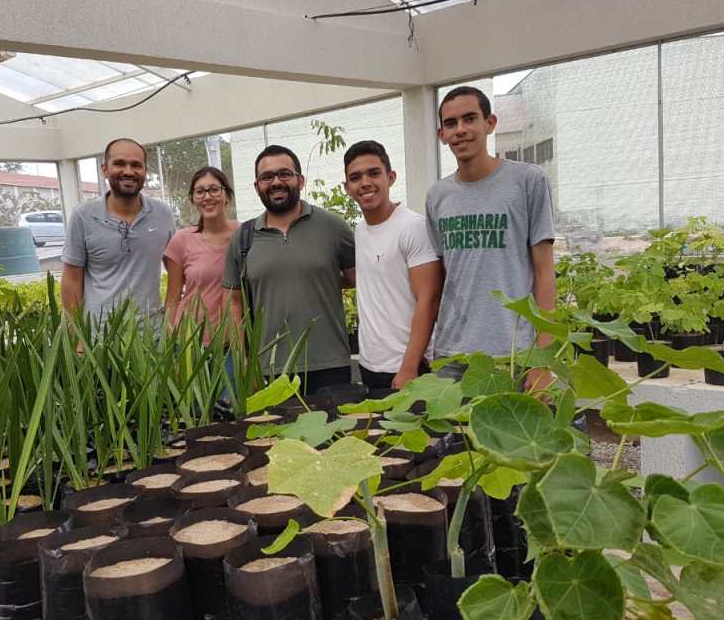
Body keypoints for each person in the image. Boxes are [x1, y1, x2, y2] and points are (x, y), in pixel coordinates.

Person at [426, 86, 556, 389]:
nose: (460, 130)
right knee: (455, 436)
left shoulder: (527, 181)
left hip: (512, 352)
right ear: (441, 134)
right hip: (451, 354)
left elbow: (545, 272)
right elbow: (445, 275)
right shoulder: (437, 196)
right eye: (451, 123)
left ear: (490, 123)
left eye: (470, 119)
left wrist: (542, 360)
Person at [223, 145, 356, 395]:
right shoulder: (243, 238)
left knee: (332, 434)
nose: (276, 182)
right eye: (267, 177)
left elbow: (360, 280)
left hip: (329, 366)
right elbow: (233, 304)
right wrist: (244, 366)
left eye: (285, 174)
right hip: (267, 370)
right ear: (256, 186)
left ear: (300, 180)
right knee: (273, 436)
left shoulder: (333, 227)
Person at [343, 140, 442, 391]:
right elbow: (372, 279)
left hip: (408, 367)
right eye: (355, 177)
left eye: (374, 173)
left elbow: (428, 299)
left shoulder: (412, 227)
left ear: (391, 177)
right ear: (347, 187)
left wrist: (408, 367)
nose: (365, 182)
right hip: (370, 364)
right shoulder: (360, 230)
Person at [61, 138, 175, 323]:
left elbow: (176, 271)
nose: (128, 171)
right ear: (104, 169)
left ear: (145, 171)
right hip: (99, 338)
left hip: (153, 335)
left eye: (136, 165)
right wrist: (77, 339)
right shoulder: (83, 216)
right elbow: (72, 282)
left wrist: (171, 321)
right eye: (120, 164)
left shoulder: (162, 213)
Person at [163, 166, 239, 335]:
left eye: (214, 190)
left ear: (227, 195)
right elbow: (173, 299)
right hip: (191, 342)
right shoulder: (181, 240)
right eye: (200, 192)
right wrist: (170, 344)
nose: (207, 197)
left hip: (235, 342)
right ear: (192, 199)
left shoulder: (244, 235)